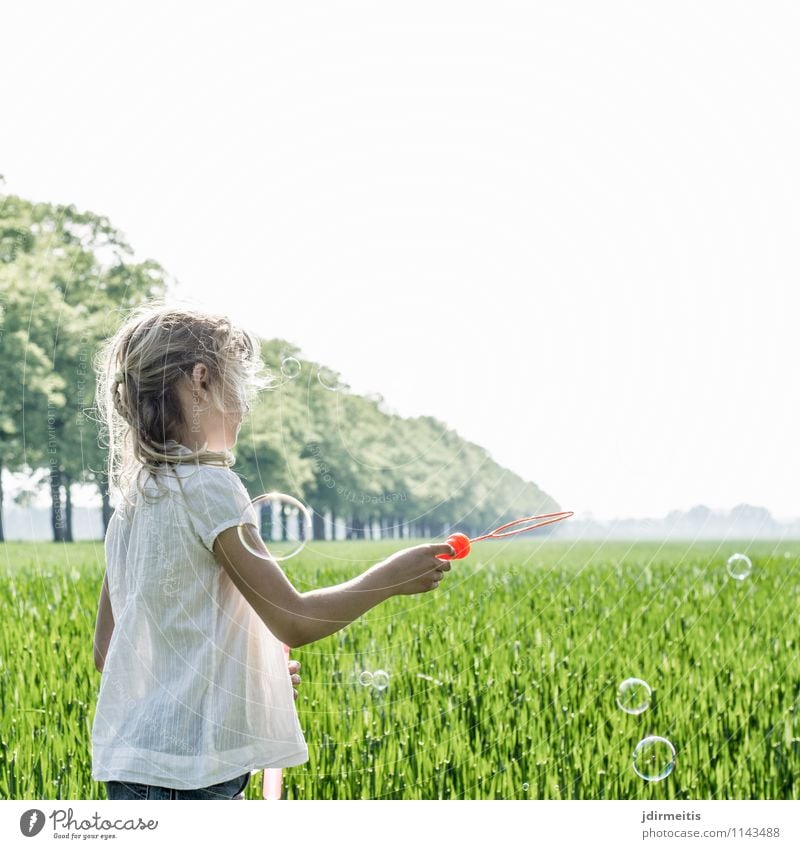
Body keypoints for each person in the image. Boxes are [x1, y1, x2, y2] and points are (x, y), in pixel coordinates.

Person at [90, 300, 454, 800]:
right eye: (239, 388)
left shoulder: (133, 499)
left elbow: (107, 652)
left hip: (135, 763)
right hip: (193, 775)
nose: (243, 409)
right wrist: (389, 578)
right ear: (201, 380)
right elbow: (295, 620)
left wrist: (239, 672)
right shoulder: (211, 488)